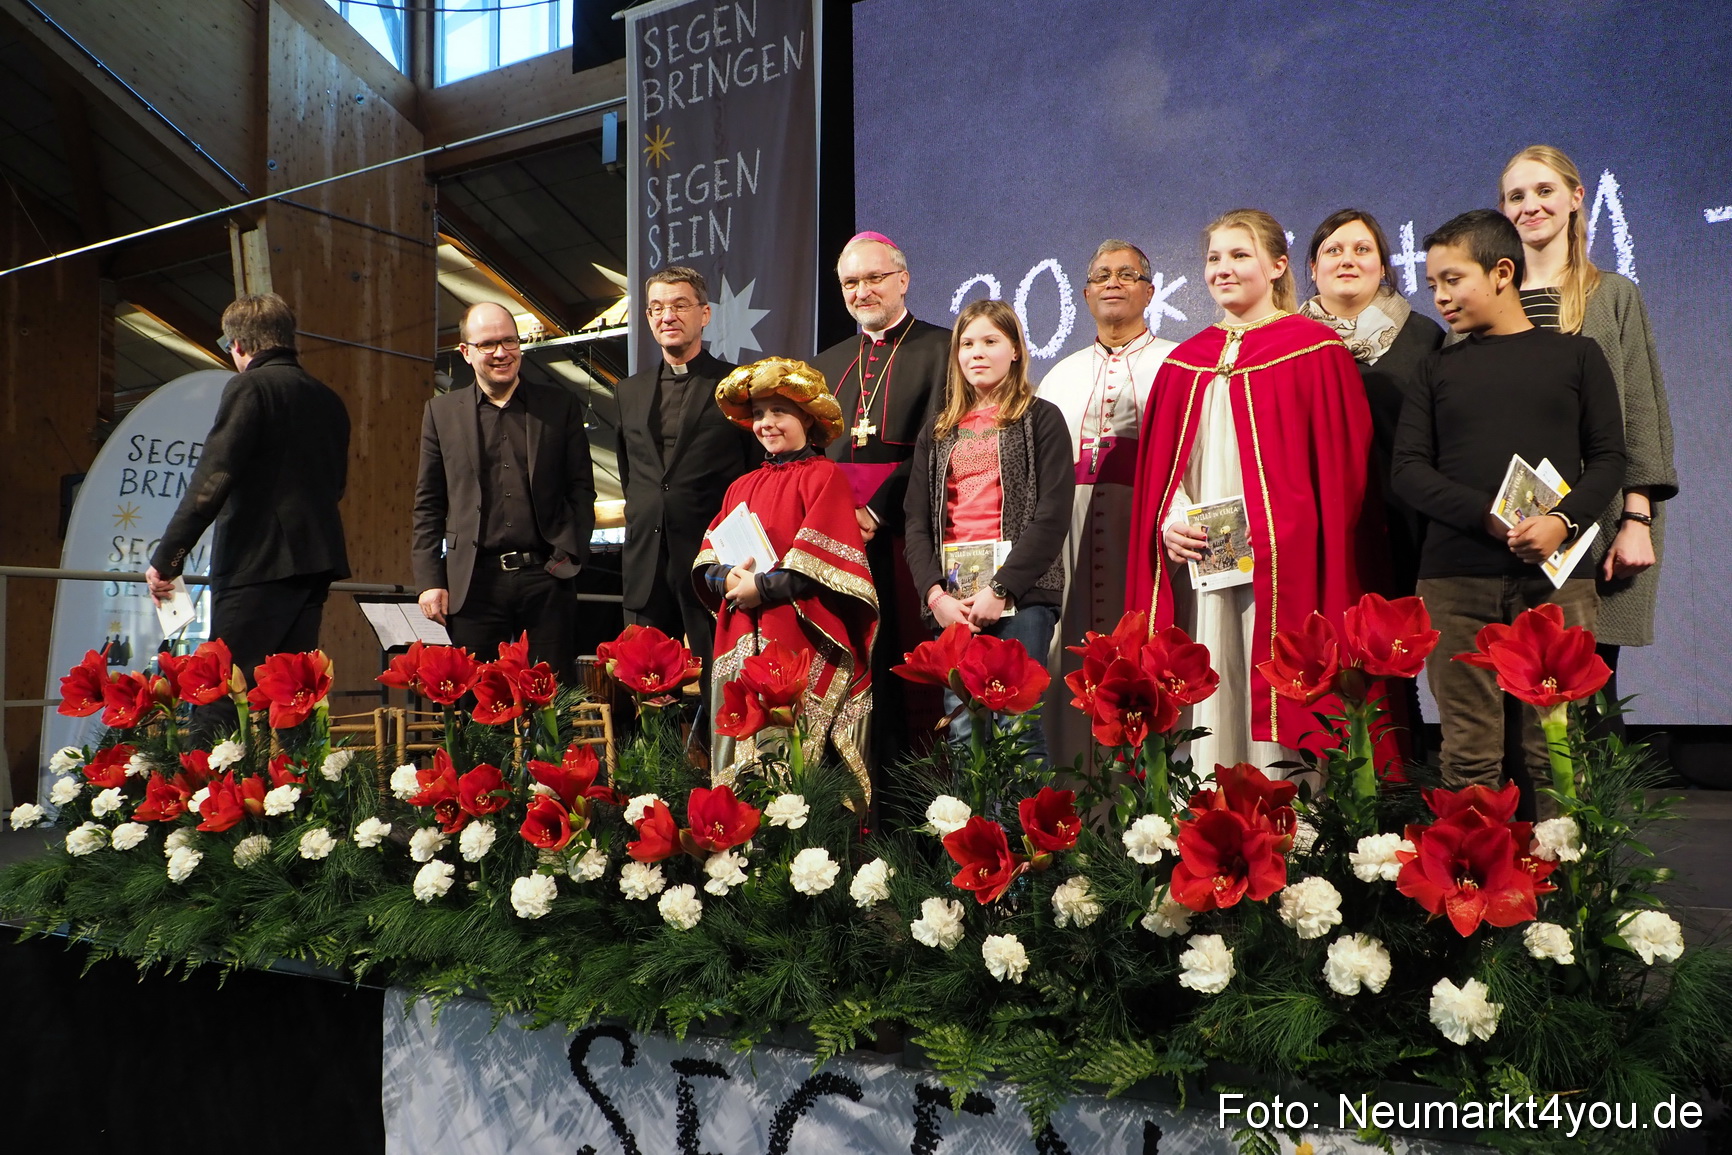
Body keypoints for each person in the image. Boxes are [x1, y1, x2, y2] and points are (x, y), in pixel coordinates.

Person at [1125, 209, 1378, 775]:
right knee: (1213, 670)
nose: (1224, 268)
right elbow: (1164, 474)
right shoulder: (1183, 363)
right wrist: (1172, 520)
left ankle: (1293, 814)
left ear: (1278, 265)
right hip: (1206, 563)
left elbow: (1344, 472)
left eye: (1240, 255)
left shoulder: (1315, 351)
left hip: (1290, 559)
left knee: (1282, 677)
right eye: (1214, 257)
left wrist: (1288, 527)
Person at [1391, 209, 1625, 805]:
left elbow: (1608, 459)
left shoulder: (1577, 356)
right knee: (1468, 752)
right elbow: (1409, 471)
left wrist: (1562, 522)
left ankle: (1567, 868)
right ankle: (1479, 866)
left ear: (1501, 272)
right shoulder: (1436, 368)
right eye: (1433, 284)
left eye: (1453, 280)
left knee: (1558, 751)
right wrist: (1486, 516)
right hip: (1454, 578)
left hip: (1555, 576)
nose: (1440, 297)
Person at [1499, 145, 1678, 733]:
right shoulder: (1488, 301)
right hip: (1510, 529)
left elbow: (1642, 410)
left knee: (1588, 694)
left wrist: (1637, 518)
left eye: (1544, 191)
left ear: (1577, 198)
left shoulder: (1612, 295)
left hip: (1597, 525)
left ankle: (1593, 803)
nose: (1531, 206)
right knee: (1510, 696)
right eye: (1517, 196)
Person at [146, 292, 350, 734]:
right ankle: (296, 778)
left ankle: (204, 779)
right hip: (314, 562)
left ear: (238, 344)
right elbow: (337, 485)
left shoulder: (250, 387)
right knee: (294, 696)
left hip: (258, 561)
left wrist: (168, 559)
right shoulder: (329, 399)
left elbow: (213, 480)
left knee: (220, 687)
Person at [694, 358, 877, 799]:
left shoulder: (825, 476)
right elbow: (708, 558)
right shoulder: (741, 486)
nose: (766, 423)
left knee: (797, 748)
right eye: (758, 414)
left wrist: (760, 588)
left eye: (779, 411)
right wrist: (727, 579)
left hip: (798, 630)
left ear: (808, 418)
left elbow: (820, 560)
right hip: (744, 630)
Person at [905, 299, 1075, 761]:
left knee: (1017, 729)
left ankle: (1025, 816)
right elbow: (916, 523)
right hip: (954, 601)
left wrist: (1001, 589)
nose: (976, 352)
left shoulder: (1041, 419)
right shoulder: (939, 431)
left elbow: (1052, 515)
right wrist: (935, 597)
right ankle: (972, 815)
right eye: (967, 343)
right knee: (962, 728)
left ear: (1016, 350)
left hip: (1021, 597)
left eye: (990, 341)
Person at [812, 231, 950, 781]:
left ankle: (917, 808)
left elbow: (940, 444)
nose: (862, 291)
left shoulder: (944, 348)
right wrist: (834, 517)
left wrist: (876, 511)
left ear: (903, 280)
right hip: (841, 540)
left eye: (874, 278)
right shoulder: (825, 364)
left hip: (908, 535)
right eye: (851, 282)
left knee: (908, 676)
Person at [1037, 240, 1176, 768]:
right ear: (1085, 294)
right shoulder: (1058, 377)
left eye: (1126, 274)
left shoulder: (1178, 364)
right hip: (1069, 544)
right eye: (1101, 276)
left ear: (1150, 291)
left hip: (1147, 540)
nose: (1112, 283)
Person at [413, 301, 595, 681]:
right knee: (477, 700)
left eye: (509, 341)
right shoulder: (441, 413)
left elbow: (581, 488)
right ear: (466, 351)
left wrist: (570, 552)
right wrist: (430, 581)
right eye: (488, 344)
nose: (502, 352)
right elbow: (429, 503)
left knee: (553, 699)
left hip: (546, 575)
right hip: (473, 582)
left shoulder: (558, 406)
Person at [615, 266, 755, 736]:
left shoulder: (736, 385)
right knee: (644, 696)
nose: (667, 316)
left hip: (712, 562)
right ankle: (650, 779)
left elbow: (752, 474)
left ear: (704, 314)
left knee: (722, 687)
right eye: (656, 308)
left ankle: (722, 771)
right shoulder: (628, 390)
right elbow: (633, 476)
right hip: (645, 561)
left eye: (679, 305)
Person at [1299, 209, 1445, 598]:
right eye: (1334, 250)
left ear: (1382, 267)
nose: (1347, 259)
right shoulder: (1288, 345)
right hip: (1315, 529)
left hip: (1406, 530)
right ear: (1313, 268)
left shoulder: (1426, 338)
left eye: (1362, 249)